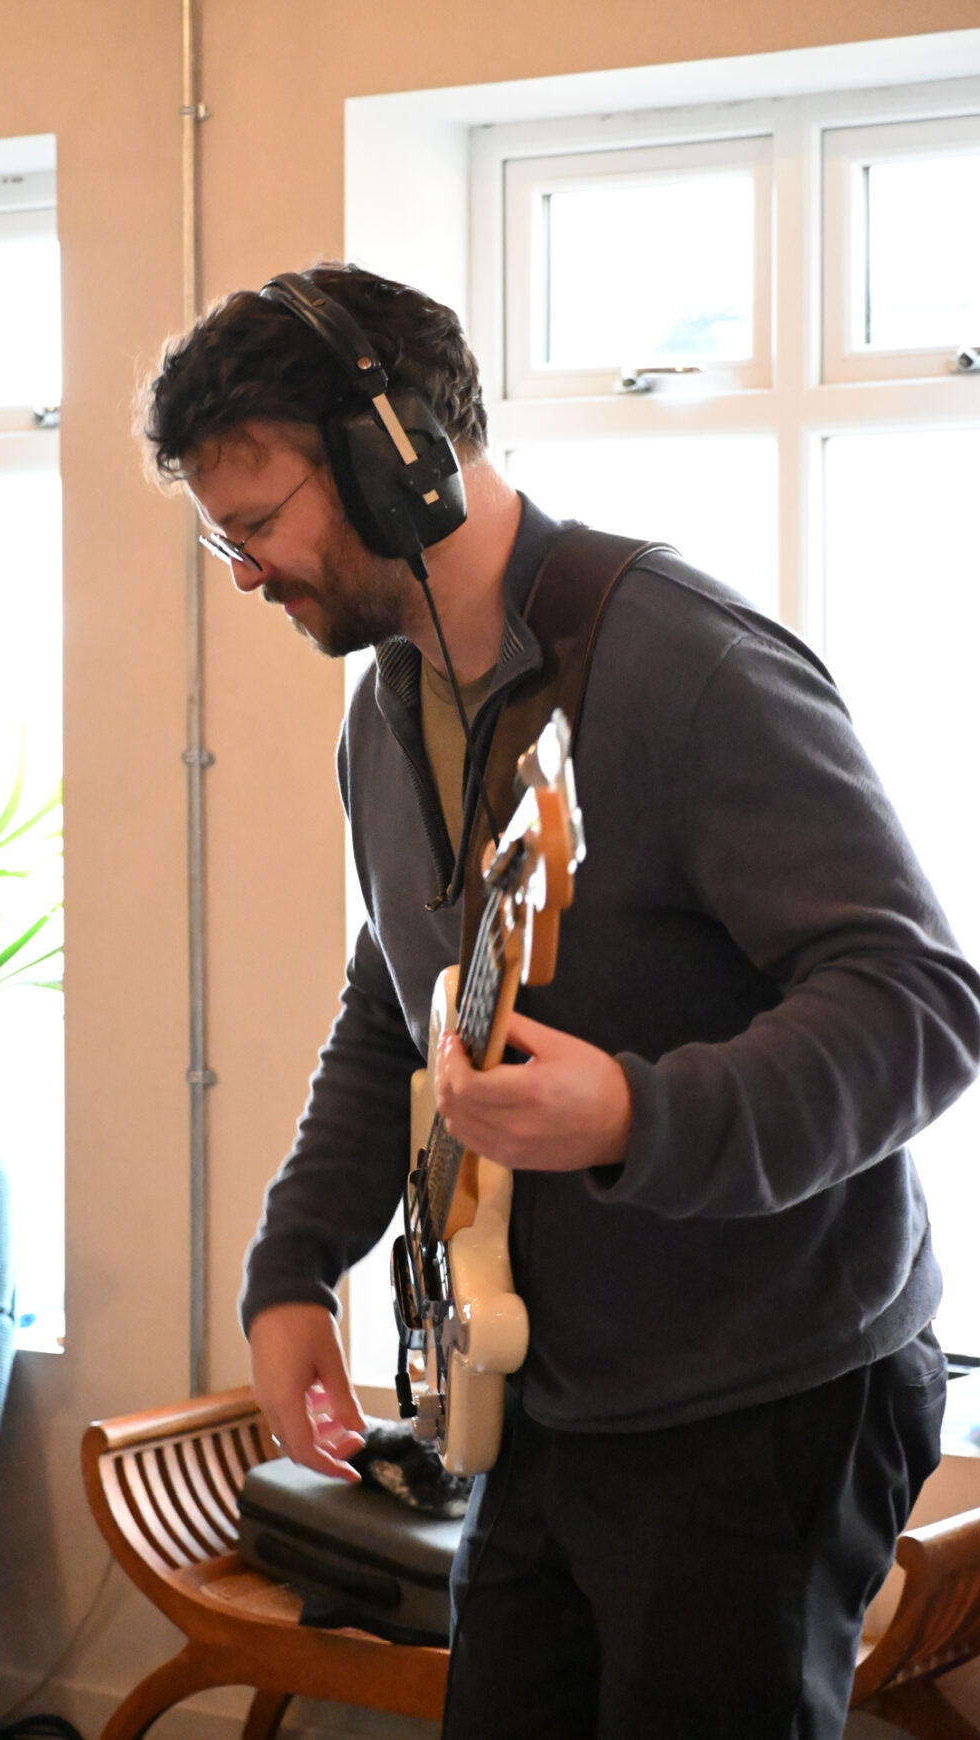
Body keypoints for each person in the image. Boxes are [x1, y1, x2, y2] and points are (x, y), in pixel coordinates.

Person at [143, 261, 980, 1739]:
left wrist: (639, 1115)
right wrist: (292, 1269)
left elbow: (918, 1000)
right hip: (538, 1401)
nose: (248, 574)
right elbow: (398, 1007)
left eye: (259, 524)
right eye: (226, 541)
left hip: (760, 1399)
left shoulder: (687, 666)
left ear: (398, 460)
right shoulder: (387, 713)